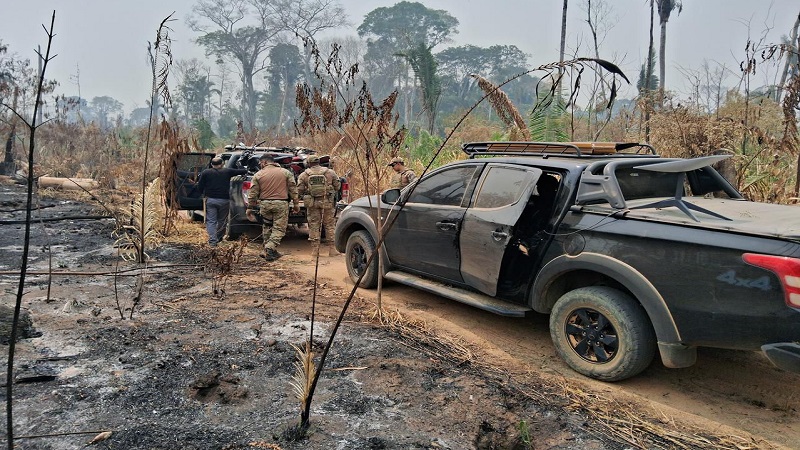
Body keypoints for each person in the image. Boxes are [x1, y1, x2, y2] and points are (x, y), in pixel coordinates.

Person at [246, 153, 300, 261]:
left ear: (265, 162)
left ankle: (268, 252)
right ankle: (269, 248)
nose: (260, 165)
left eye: (260, 163)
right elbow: (293, 189)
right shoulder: (285, 173)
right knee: (279, 229)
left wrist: (250, 208)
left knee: (267, 226)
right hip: (281, 204)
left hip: (265, 204)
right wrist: (296, 204)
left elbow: (253, 193)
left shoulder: (258, 175)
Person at [196, 157, 247, 246]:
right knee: (222, 221)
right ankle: (219, 238)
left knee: (211, 221)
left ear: (211, 164)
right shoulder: (227, 171)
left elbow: (200, 186)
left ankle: (212, 241)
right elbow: (243, 171)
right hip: (224, 201)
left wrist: (201, 195)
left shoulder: (206, 172)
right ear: (222, 164)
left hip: (211, 200)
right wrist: (240, 163)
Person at [297, 155, 341, 257]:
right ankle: (332, 249)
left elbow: (299, 190)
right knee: (329, 225)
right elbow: (337, 186)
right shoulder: (330, 172)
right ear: (318, 162)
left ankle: (315, 251)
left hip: (312, 204)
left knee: (313, 225)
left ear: (308, 163)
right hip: (327, 203)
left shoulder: (304, 175)